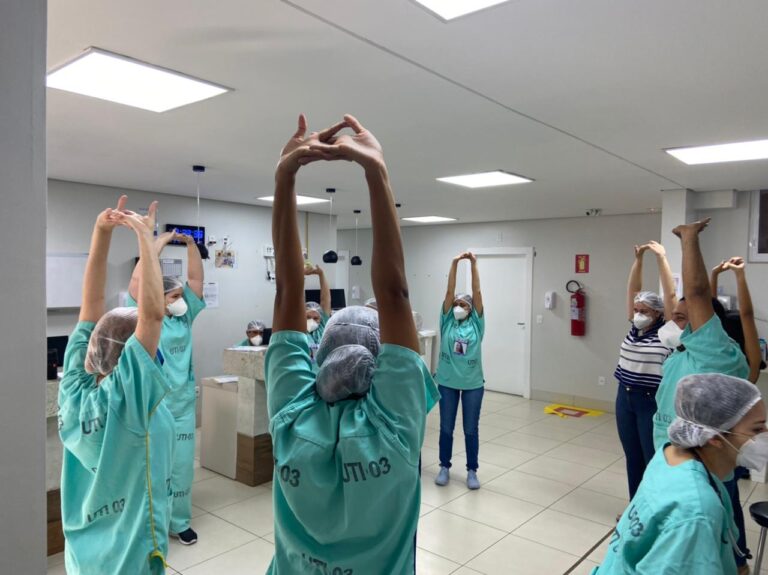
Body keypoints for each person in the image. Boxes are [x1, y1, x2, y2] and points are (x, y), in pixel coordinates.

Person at [264, 113, 439, 574]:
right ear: (382, 364)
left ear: (318, 354)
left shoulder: (292, 415)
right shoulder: (396, 430)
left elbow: (287, 290)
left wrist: (285, 177)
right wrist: (376, 170)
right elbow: (395, 293)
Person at [59, 196, 175, 574]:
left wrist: (101, 233)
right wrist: (144, 236)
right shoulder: (129, 398)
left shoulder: (75, 385)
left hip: (84, 551)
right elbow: (153, 315)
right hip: (129, 556)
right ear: (134, 358)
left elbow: (90, 303)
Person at [592, 373, 767, 575]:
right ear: (715, 437)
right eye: (757, 428)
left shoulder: (669, 455)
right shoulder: (697, 511)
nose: (765, 434)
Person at [652, 219, 751, 572]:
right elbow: (681, 298)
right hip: (669, 458)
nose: (671, 323)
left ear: (704, 324)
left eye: (681, 318)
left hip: (702, 468)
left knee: (714, 541)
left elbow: (697, 296)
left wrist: (688, 240)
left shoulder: (717, 354)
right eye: (672, 316)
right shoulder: (679, 355)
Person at [126, 229, 206, 545]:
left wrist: (190, 246)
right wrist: (155, 245)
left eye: (179, 297)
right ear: (158, 299)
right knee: (153, 465)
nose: (180, 301)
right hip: (154, 404)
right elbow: (136, 285)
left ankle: (178, 520)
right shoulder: (146, 316)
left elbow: (196, 283)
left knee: (182, 464)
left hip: (183, 402)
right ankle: (151, 522)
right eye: (173, 297)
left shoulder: (184, 318)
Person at [614, 241, 675, 499]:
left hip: (650, 400)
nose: (638, 314)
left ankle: (654, 509)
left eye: (644, 311)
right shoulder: (635, 329)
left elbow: (671, 297)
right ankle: (635, 508)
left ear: (658, 313)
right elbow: (633, 290)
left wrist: (661, 258)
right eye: (636, 310)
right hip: (624, 397)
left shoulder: (667, 333)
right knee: (632, 456)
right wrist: (638, 260)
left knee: (652, 457)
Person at [434, 252, 485, 490]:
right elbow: (448, 291)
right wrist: (454, 263)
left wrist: (473, 264)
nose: (458, 307)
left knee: (470, 429)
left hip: (473, 384)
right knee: (446, 427)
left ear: (471, 309)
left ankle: (472, 471)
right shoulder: (447, 322)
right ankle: (444, 466)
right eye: (456, 304)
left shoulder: (476, 323)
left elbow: (477, 293)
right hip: (447, 382)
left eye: (463, 304)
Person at [711, 256, 763, 383]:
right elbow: (747, 315)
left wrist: (715, 274)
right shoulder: (749, 368)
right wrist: (740, 274)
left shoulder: (713, 356)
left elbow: (712, 309)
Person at [304, 264, 331, 364]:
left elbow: (325, 300)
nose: (312, 320)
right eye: (308, 317)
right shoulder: (299, 332)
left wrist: (321, 274)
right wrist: (301, 275)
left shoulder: (322, 328)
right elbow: (296, 298)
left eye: (316, 318)